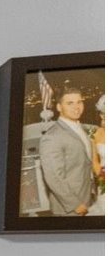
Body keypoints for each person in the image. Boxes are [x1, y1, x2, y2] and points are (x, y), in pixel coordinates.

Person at [39, 87, 95, 215]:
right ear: (59, 107)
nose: (77, 107)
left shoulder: (79, 128)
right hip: (69, 208)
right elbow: (53, 176)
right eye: (70, 103)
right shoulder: (52, 137)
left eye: (79, 102)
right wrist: (74, 204)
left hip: (87, 198)